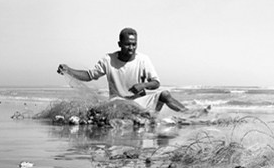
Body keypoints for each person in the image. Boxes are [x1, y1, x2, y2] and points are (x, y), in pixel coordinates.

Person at [57, 27, 189, 113]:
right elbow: (89, 75)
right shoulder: (108, 59)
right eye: (127, 44)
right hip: (117, 102)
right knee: (122, 105)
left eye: (134, 44)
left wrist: (143, 85)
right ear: (119, 44)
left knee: (165, 94)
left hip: (139, 101)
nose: (131, 47)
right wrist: (69, 70)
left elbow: (156, 83)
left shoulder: (143, 59)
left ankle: (190, 115)